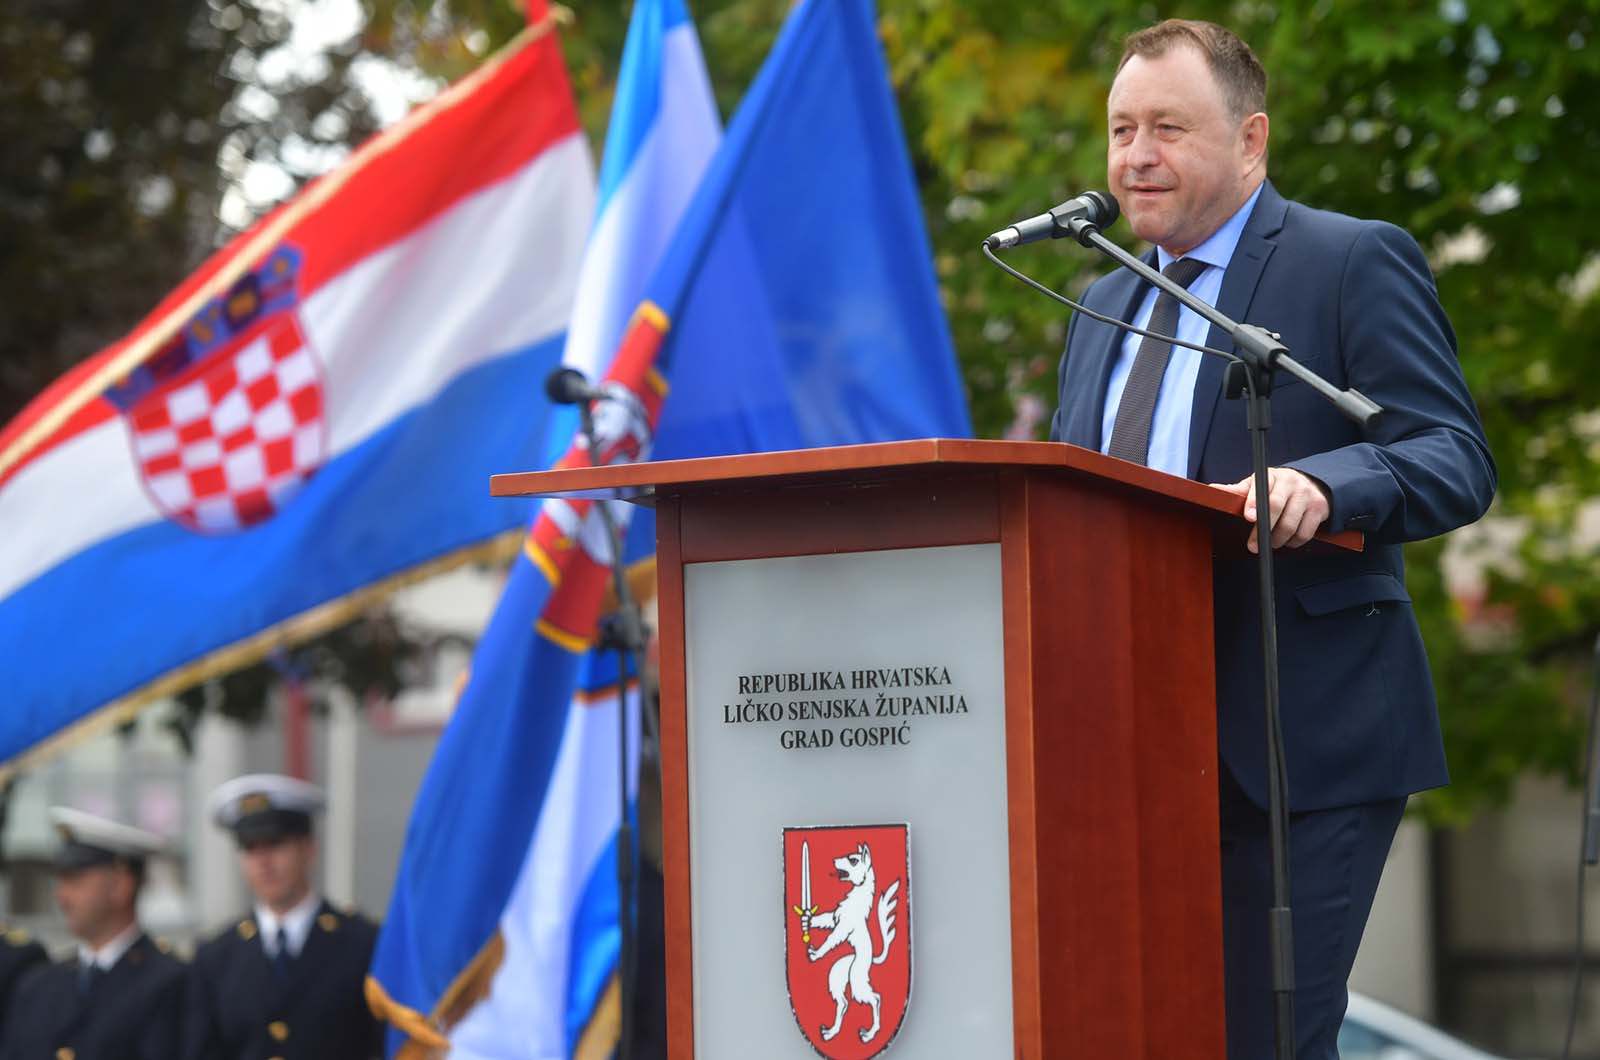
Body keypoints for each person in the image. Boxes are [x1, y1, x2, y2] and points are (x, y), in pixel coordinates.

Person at [1047, 18, 1495, 1058]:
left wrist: (1323, 484)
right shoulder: (1100, 301)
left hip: (1299, 745)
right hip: (1123, 751)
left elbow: (1452, 455)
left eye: (1167, 128)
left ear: (1250, 140)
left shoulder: (1347, 261)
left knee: (1267, 1038)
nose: (1136, 156)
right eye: (1120, 130)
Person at [183, 774, 382, 1060]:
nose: (263, 862)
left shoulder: (361, 944)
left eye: (275, 844)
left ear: (308, 849)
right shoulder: (216, 958)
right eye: (251, 848)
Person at [0, 807, 184, 1060]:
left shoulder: (171, 983)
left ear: (120, 885)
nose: (61, 897)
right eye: (60, 881)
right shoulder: (38, 986)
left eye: (75, 880)